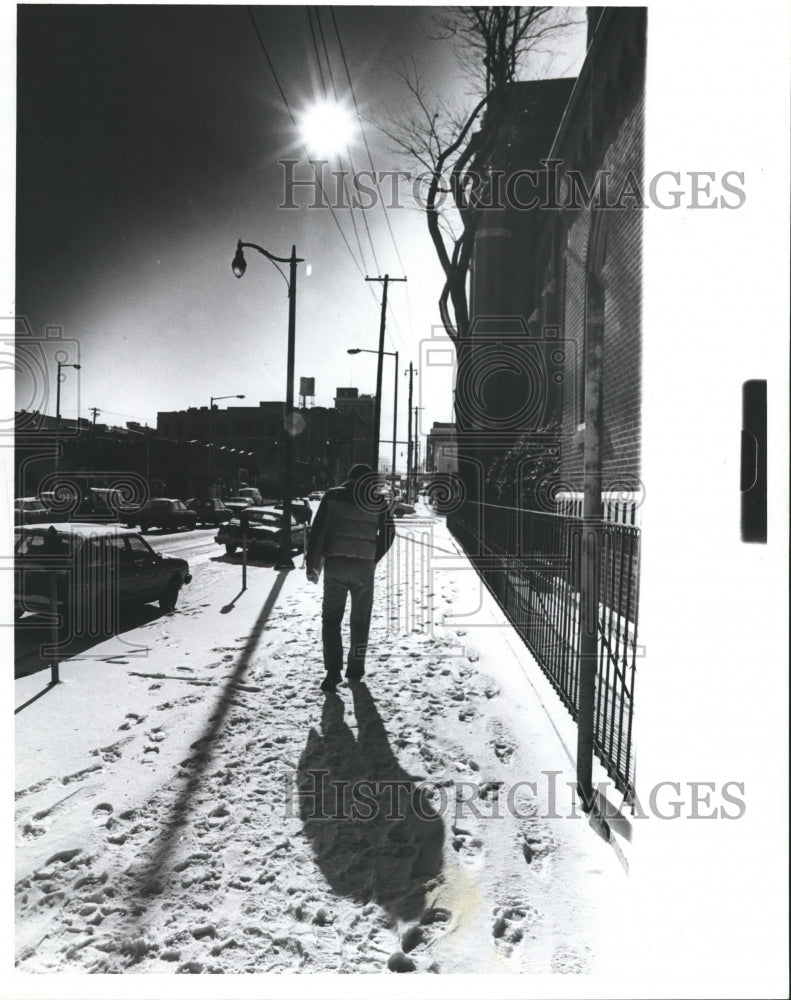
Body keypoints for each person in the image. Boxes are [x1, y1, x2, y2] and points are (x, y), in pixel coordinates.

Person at [306, 464, 395, 692]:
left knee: (331, 619)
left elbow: (317, 530)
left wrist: (313, 564)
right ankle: (355, 669)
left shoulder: (333, 495)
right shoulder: (378, 501)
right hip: (363, 568)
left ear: (349, 478)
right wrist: (373, 557)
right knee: (360, 620)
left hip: (336, 565)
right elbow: (389, 533)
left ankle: (332, 671)